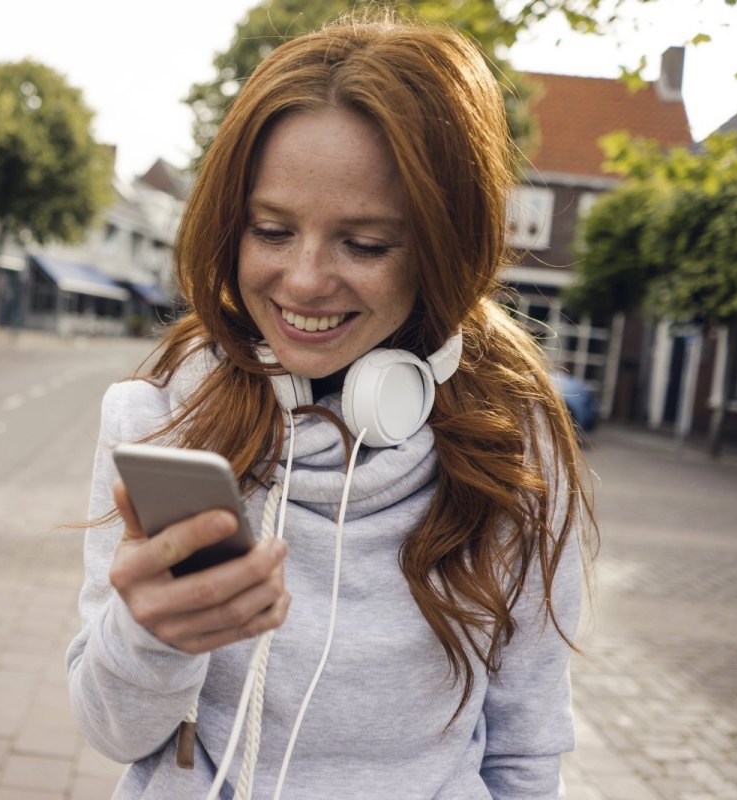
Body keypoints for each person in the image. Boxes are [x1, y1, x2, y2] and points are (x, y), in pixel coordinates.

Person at [66, 10, 596, 799]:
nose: (306, 280)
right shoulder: (162, 421)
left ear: (443, 248)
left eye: (366, 244)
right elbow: (117, 734)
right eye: (272, 230)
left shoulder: (514, 444)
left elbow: (524, 752)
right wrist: (149, 638)